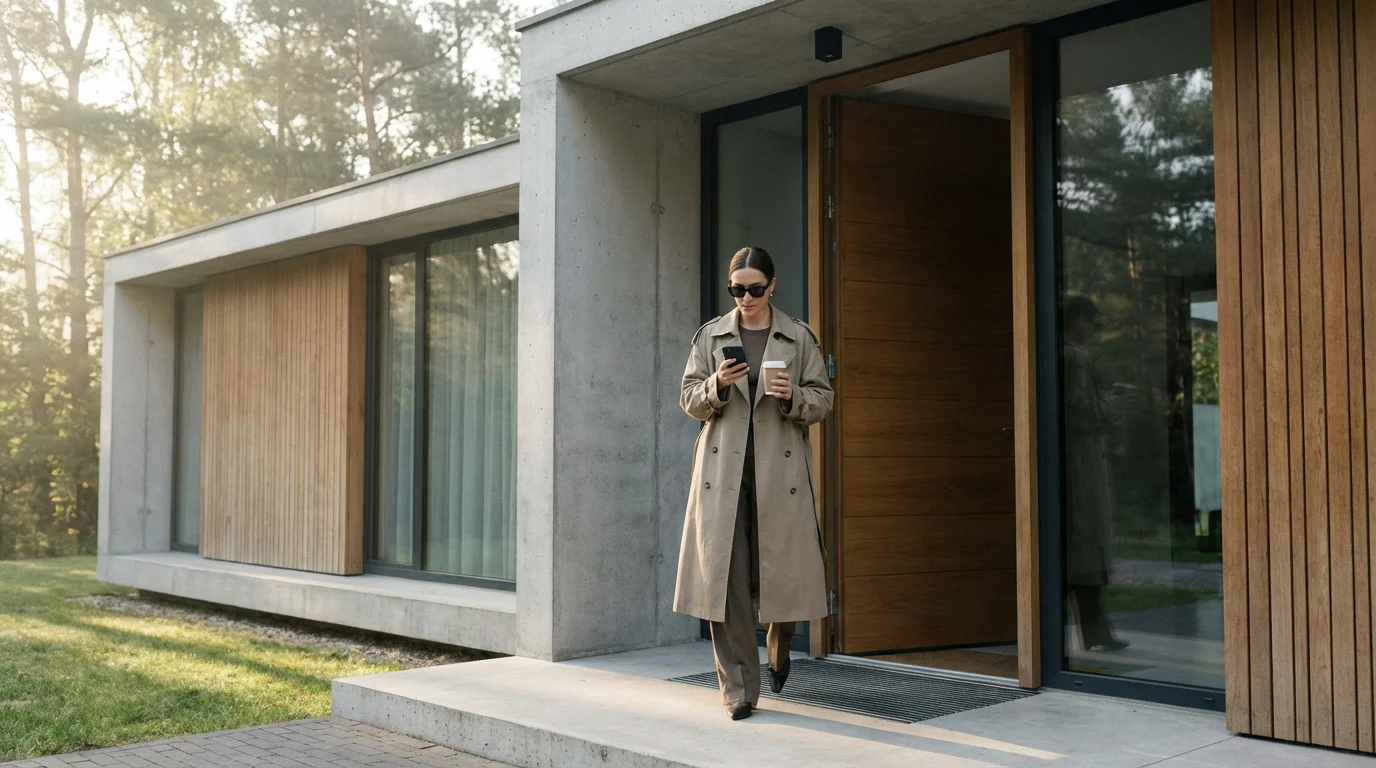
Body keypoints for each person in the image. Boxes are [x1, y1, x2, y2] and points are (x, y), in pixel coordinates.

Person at [674, 246, 834, 721]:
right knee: (726, 580)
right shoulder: (710, 336)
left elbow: (823, 399)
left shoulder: (798, 336)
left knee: (780, 573)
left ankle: (779, 642)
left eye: (755, 288)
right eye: (737, 289)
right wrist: (716, 385)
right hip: (722, 476)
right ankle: (740, 690)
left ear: (772, 286)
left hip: (779, 475)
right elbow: (688, 398)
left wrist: (793, 397)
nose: (746, 297)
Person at [1062, 295, 1130, 652]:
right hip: (1080, 465)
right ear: (1078, 321)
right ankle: (1095, 631)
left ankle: (1095, 630)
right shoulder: (1075, 358)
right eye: (1093, 324)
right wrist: (1111, 407)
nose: (1095, 332)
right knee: (1087, 546)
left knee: (1081, 549)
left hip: (1074, 464)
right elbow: (1077, 413)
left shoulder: (1063, 356)